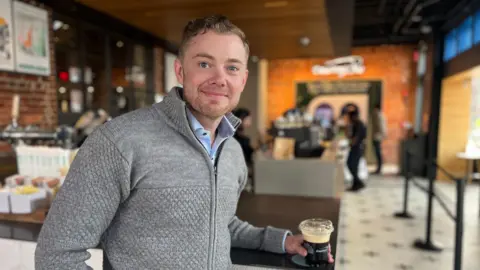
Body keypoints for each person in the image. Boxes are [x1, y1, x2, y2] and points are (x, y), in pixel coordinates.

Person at [35, 15, 333, 269]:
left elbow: (218, 224)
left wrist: (282, 241)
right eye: (204, 64)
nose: (219, 78)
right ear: (180, 71)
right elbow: (57, 254)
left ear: (242, 79)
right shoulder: (119, 142)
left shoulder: (231, 150)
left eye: (231, 67)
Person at [346, 110, 367, 192]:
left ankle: (358, 183)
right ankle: (356, 184)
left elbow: (356, 137)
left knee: (351, 164)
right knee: (353, 166)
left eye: (349, 117)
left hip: (357, 148)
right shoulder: (355, 124)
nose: (349, 119)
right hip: (356, 148)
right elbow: (349, 136)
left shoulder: (359, 124)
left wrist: (351, 143)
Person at [371, 104, 387, 174]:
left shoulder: (377, 114)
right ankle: (379, 168)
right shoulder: (380, 114)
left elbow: (380, 126)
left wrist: (382, 134)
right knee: (378, 152)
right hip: (378, 135)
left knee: (378, 152)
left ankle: (379, 168)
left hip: (377, 136)